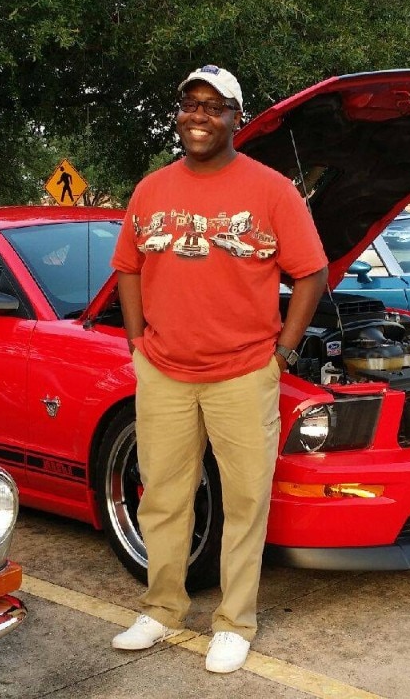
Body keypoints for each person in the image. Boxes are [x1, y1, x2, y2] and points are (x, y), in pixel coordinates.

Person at [109, 65, 329, 674]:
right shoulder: (151, 189)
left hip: (242, 372)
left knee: (244, 499)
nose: (199, 116)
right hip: (163, 370)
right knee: (163, 496)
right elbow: (128, 264)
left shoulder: (271, 190)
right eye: (190, 105)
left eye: (214, 107)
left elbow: (312, 273)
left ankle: (235, 622)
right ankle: (161, 609)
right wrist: (135, 340)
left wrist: (281, 353)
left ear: (237, 118)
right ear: (179, 113)